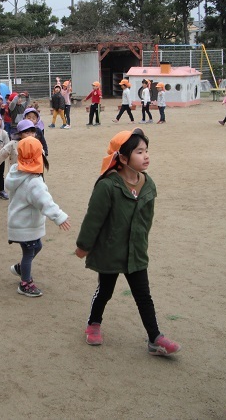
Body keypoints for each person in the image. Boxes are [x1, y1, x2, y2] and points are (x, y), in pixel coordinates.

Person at [75, 129, 181, 355]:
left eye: (146, 151)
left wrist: (141, 241)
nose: (146, 156)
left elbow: (146, 219)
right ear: (122, 158)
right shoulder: (107, 186)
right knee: (105, 290)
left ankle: (155, 338)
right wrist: (84, 246)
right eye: (139, 152)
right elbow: (93, 219)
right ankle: (94, 323)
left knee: (143, 295)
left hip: (136, 251)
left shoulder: (148, 184)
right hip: (110, 249)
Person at [6, 136, 71, 297]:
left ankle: (21, 268)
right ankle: (25, 283)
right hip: (25, 226)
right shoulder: (33, 182)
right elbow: (45, 202)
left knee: (37, 246)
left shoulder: (16, 172)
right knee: (29, 252)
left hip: (20, 222)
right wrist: (59, 217)